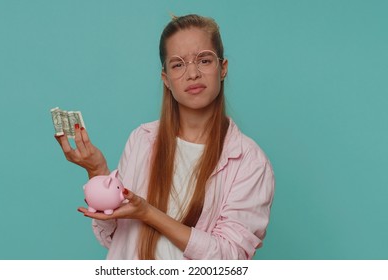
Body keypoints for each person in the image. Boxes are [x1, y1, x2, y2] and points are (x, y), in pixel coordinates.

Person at [54, 14, 275, 260]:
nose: (192, 73)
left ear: (222, 69)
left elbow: (229, 257)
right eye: (178, 64)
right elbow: (114, 235)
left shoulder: (249, 161)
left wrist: (148, 213)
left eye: (204, 60)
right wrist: (98, 172)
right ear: (165, 79)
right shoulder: (142, 140)